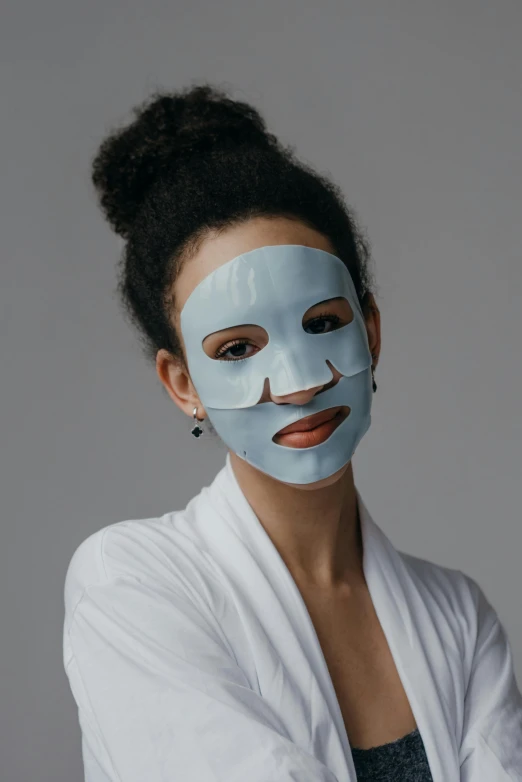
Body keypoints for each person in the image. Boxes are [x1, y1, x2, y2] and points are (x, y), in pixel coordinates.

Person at [62, 84, 522, 782]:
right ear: (182, 383)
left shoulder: (459, 618)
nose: (300, 382)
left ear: (369, 328)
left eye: (322, 324)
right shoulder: (131, 587)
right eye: (238, 349)